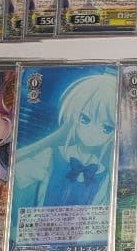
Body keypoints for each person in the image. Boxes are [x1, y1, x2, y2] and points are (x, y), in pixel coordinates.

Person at [11, 73, 116, 211]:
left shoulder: (103, 175)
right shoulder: (51, 155)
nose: (92, 132)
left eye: (106, 128)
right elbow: (18, 176)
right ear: (74, 116)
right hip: (41, 222)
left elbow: (100, 213)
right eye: (85, 119)